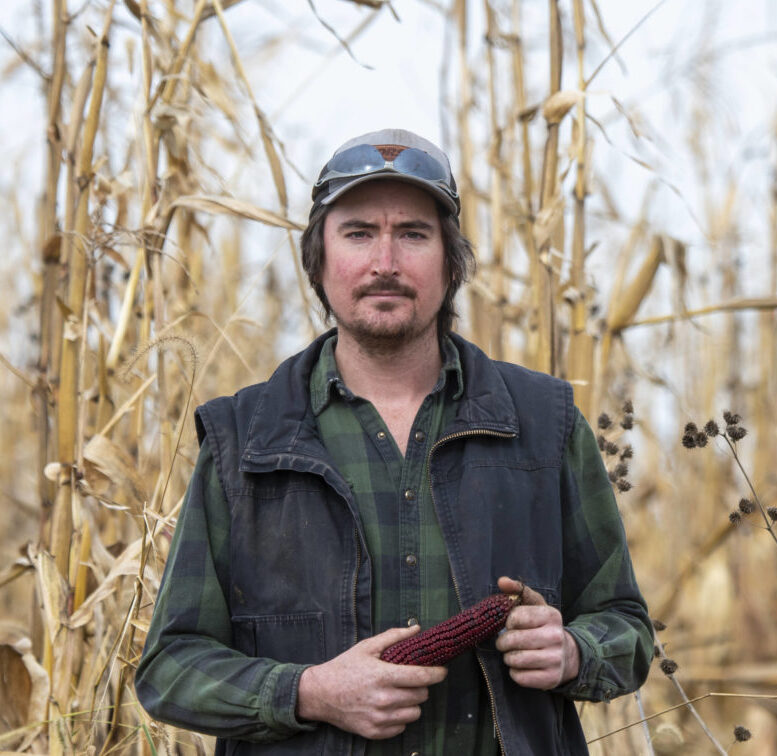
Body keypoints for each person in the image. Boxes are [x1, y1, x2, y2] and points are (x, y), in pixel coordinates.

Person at [135, 128, 653, 755]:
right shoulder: (244, 438)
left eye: (413, 233)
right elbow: (170, 668)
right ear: (319, 261)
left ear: (451, 262)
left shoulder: (545, 424)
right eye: (358, 233)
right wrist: (307, 691)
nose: (386, 262)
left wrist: (573, 650)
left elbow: (626, 628)